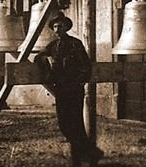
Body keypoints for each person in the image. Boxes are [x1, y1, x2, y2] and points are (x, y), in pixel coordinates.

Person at [35, 14, 103, 166]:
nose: (58, 29)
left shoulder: (75, 44)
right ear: (53, 29)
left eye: (60, 26)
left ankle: (80, 158)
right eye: (55, 27)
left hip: (74, 90)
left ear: (66, 27)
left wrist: (79, 82)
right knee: (64, 125)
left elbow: (86, 66)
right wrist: (46, 59)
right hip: (61, 90)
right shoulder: (52, 46)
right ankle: (93, 152)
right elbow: (38, 58)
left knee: (76, 124)